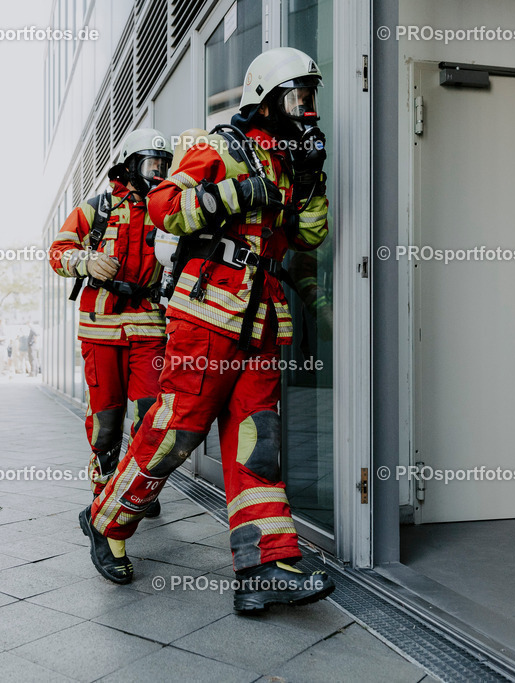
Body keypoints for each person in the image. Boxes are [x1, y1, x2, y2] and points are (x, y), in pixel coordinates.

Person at [80, 47, 334, 612]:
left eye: (311, 96)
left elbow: (310, 236)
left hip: (263, 320)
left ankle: (264, 567)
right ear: (265, 101)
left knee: (258, 445)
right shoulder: (217, 144)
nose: (307, 109)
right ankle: (108, 520)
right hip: (208, 315)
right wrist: (236, 193)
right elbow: (165, 208)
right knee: (176, 431)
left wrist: (313, 179)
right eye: (297, 97)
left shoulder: (294, 164)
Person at [49, 128, 173, 512]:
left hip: (150, 328)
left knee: (151, 412)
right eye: (152, 164)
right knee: (105, 420)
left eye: (164, 165)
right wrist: (86, 261)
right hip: (100, 331)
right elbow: (57, 252)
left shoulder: (167, 211)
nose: (159, 173)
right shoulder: (96, 208)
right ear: (131, 165)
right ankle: (104, 495)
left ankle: (135, 488)